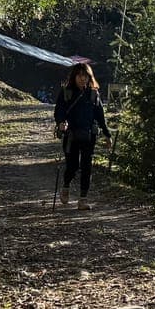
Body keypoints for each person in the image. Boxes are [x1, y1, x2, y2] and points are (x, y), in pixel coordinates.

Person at [54, 62, 112, 209]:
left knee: (87, 167)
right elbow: (59, 110)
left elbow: (100, 116)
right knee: (72, 166)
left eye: (85, 76)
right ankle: (66, 186)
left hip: (89, 136)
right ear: (74, 76)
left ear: (89, 77)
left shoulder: (93, 94)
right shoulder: (66, 92)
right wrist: (61, 123)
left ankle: (83, 200)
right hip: (71, 136)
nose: (82, 78)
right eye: (79, 75)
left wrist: (107, 134)